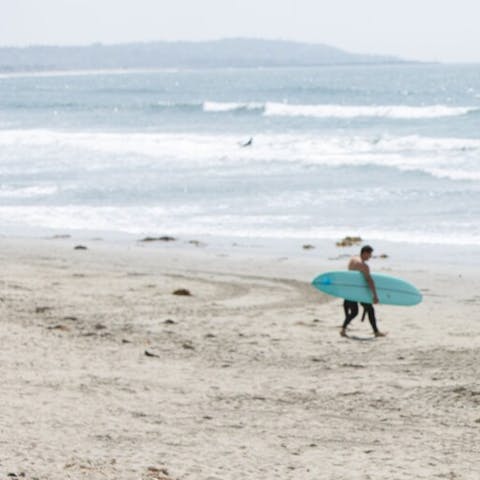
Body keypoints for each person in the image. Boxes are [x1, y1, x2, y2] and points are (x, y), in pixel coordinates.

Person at [340, 245, 386, 338]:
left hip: (349, 290)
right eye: (370, 254)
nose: (370, 257)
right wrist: (375, 295)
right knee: (369, 309)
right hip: (359, 292)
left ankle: (343, 329)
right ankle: (376, 332)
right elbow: (369, 281)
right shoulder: (364, 266)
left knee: (354, 312)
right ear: (365, 253)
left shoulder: (352, 260)